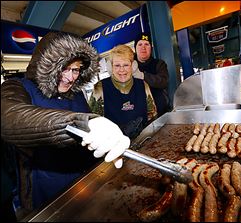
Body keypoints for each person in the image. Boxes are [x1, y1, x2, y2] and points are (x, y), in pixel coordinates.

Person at [1, 32, 130, 217]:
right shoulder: (17, 87)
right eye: (64, 68)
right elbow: (9, 117)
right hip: (42, 193)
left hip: (83, 185)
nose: (70, 77)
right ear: (46, 65)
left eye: (76, 70)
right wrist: (82, 123)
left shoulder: (76, 93)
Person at [88, 44, 157, 139]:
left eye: (126, 65)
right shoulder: (100, 88)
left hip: (142, 140)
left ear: (133, 66)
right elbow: (92, 122)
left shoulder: (143, 85)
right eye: (117, 65)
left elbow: (152, 115)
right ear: (111, 67)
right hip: (113, 144)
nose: (122, 70)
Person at [133, 33, 170, 117]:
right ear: (135, 48)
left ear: (151, 48)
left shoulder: (159, 64)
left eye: (147, 44)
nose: (143, 47)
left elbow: (163, 82)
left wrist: (143, 76)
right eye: (140, 44)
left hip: (160, 112)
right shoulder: (129, 64)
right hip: (137, 113)